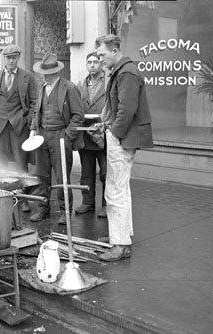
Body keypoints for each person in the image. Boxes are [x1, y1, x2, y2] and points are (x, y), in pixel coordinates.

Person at [94, 34, 153, 262]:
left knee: (114, 191)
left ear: (115, 49)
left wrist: (113, 133)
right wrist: (106, 124)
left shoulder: (126, 72)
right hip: (123, 136)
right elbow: (119, 107)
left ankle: (119, 244)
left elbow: (127, 111)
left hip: (122, 139)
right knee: (122, 189)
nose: (100, 61)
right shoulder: (122, 70)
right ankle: (122, 236)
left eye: (102, 55)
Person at [29, 53, 84, 224]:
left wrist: (67, 136)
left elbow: (78, 116)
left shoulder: (69, 88)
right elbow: (37, 111)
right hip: (42, 135)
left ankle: (65, 211)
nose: (45, 76)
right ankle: (43, 209)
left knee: (62, 176)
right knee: (42, 175)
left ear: (56, 72)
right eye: (43, 73)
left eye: (48, 74)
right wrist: (33, 129)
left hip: (61, 135)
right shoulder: (41, 87)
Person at [0, 44, 37, 212]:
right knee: (0, 164)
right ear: (4, 59)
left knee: (21, 164)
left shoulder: (27, 77)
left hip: (18, 127)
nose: (11, 61)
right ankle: (2, 198)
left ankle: (23, 200)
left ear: (18, 58)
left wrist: (28, 121)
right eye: (8, 58)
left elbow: (34, 102)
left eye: (14, 57)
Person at [75, 52, 107, 218]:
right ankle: (87, 202)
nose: (92, 65)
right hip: (85, 133)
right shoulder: (81, 84)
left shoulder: (108, 83)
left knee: (105, 172)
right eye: (89, 62)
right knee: (86, 171)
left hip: (103, 134)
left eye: (95, 62)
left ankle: (106, 205)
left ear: (101, 64)